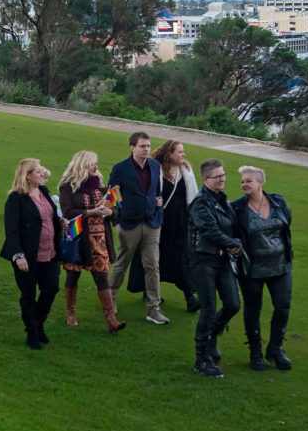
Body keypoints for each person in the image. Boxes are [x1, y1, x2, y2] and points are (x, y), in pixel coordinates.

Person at [231, 166, 294, 371]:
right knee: (252, 308)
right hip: (252, 269)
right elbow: (231, 233)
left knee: (283, 306)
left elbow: (287, 222)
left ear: (260, 182)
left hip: (281, 265)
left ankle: (275, 349)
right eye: (242, 181)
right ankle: (255, 352)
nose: (244, 184)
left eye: (248, 181)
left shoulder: (278, 201)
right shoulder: (238, 208)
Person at [126, 140, 200, 313]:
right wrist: (153, 201)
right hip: (158, 221)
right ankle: (149, 291)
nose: (183, 155)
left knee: (182, 258)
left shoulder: (186, 171)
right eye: (180, 152)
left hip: (180, 223)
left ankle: (190, 298)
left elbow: (193, 197)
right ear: (169, 154)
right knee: (153, 258)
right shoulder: (155, 170)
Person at [58, 151, 125, 334]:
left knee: (102, 278)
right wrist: (91, 212)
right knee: (72, 276)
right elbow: (67, 212)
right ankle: (71, 313)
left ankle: (111, 320)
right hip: (78, 240)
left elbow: (117, 211)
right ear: (82, 166)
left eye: (96, 164)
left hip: (100, 242)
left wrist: (110, 213)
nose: (96, 167)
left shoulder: (102, 188)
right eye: (92, 164)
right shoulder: (67, 188)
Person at [187, 158, 242, 378]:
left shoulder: (222, 200)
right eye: (217, 177)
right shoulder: (201, 202)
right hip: (204, 261)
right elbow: (209, 230)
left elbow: (231, 224)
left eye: (223, 175)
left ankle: (211, 337)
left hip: (222, 261)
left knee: (233, 304)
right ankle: (201, 359)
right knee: (208, 309)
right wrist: (233, 244)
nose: (222, 179)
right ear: (205, 179)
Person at [1, 158, 63, 349]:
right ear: (27, 176)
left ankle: (38, 322)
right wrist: (18, 256)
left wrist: (60, 222)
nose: (42, 174)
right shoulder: (15, 200)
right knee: (28, 294)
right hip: (27, 256)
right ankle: (33, 331)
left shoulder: (43, 191)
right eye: (37, 171)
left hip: (50, 252)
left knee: (51, 289)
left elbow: (50, 217)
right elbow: (11, 231)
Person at [107, 131, 167, 325]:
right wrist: (117, 222)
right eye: (142, 146)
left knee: (152, 265)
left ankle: (153, 308)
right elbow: (111, 197)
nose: (146, 149)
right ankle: (110, 300)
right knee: (122, 263)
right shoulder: (120, 168)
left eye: (148, 146)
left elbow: (156, 191)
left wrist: (158, 208)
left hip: (151, 223)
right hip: (129, 223)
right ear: (132, 147)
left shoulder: (156, 166)